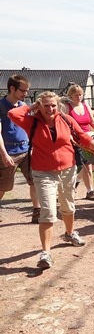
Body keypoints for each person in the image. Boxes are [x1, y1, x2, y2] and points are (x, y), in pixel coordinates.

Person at [9, 91, 94, 269]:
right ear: (40, 106)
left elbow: (84, 137)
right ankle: (46, 253)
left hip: (68, 169)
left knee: (68, 206)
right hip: (43, 172)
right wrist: (33, 107)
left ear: (58, 105)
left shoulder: (66, 120)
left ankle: (70, 233)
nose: (50, 109)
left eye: (53, 105)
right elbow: (13, 113)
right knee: (47, 211)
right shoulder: (31, 122)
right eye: (46, 105)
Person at [0, 74, 41, 223]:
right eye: (23, 91)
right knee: (3, 187)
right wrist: (4, 154)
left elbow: (30, 127)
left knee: (34, 180)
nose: (26, 94)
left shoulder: (24, 106)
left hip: (26, 150)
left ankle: (37, 211)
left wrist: (32, 146)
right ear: (12, 88)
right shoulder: (1, 106)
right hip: (8, 152)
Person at [64, 84, 94, 200]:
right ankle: (90, 191)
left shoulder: (86, 106)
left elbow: (92, 122)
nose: (78, 97)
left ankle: (75, 181)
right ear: (70, 95)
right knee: (88, 166)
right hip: (77, 140)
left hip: (90, 139)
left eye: (80, 94)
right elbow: (65, 124)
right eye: (76, 95)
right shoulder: (67, 107)